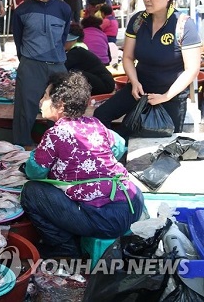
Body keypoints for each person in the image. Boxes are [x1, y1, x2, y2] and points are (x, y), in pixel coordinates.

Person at [21, 72, 144, 258]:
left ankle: (64, 248)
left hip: (105, 219)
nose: (41, 101)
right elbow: (119, 147)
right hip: (133, 204)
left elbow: (35, 171)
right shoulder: (95, 124)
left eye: (45, 96)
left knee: (31, 191)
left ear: (60, 104)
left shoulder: (56, 133)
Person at [94, 0, 202, 135]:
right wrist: (134, 82)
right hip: (139, 89)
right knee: (101, 115)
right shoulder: (138, 21)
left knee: (162, 145)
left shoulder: (183, 25)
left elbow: (192, 70)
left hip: (170, 96)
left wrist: (165, 96)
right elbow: (128, 57)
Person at [12, 0, 72, 148]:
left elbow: (63, 39)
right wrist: (29, 61)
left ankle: (57, 148)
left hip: (57, 66)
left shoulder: (64, 10)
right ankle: (20, 148)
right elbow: (18, 40)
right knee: (25, 111)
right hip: (31, 64)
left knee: (59, 110)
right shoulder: (21, 10)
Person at [65, 23, 115, 95]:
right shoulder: (80, 49)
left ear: (74, 40)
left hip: (105, 85)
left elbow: (62, 67)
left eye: (65, 40)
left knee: (74, 74)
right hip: (105, 82)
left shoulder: (77, 51)